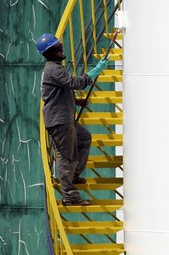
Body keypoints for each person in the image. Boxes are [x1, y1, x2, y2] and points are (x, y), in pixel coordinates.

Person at [37, 33, 109, 206]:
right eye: (57, 47)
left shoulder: (53, 68)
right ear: (49, 53)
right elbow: (75, 83)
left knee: (84, 138)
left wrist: (76, 101)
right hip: (60, 121)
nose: (61, 48)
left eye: (60, 45)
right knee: (66, 156)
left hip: (63, 119)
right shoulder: (54, 69)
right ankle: (69, 195)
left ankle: (74, 175)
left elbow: (56, 93)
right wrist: (95, 71)